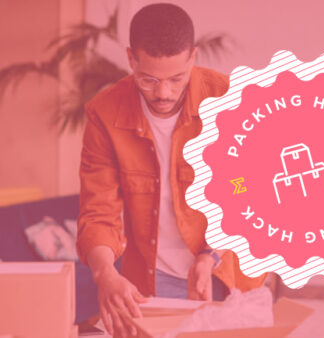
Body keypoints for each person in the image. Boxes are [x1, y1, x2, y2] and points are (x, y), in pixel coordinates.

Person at [76, 3, 266, 337]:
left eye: (176, 79)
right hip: (148, 281)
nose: (162, 93)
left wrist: (209, 257)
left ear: (192, 57)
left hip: (227, 272)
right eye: (148, 80)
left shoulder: (230, 100)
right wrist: (105, 273)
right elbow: (98, 211)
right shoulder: (104, 114)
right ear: (131, 58)